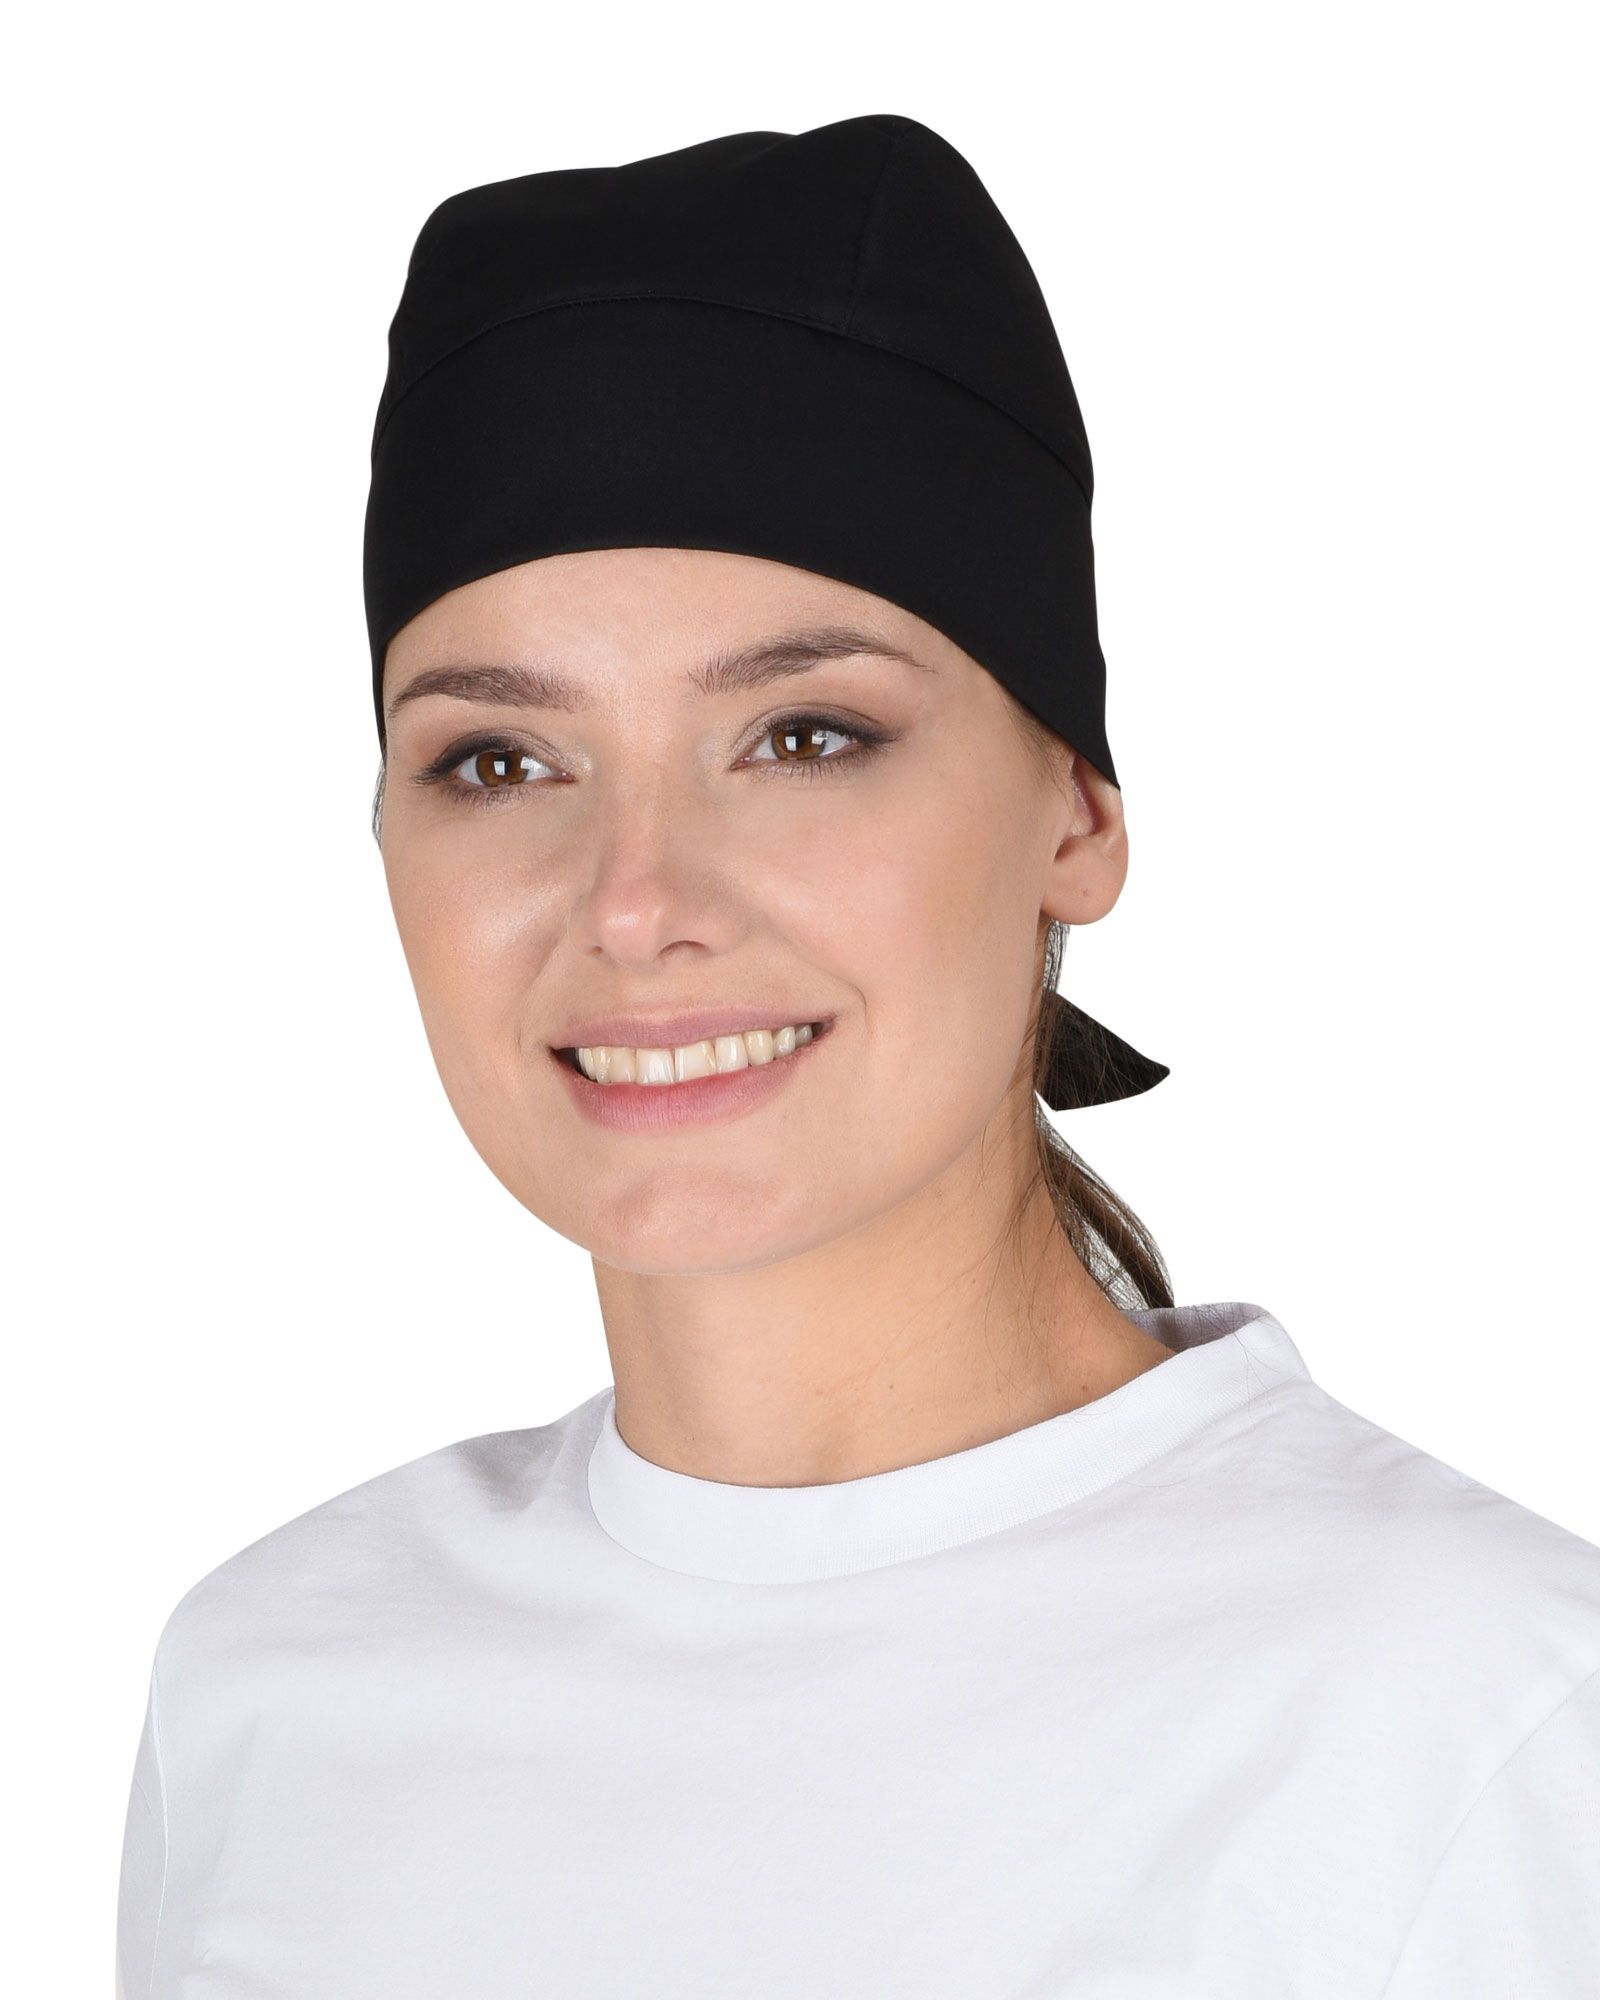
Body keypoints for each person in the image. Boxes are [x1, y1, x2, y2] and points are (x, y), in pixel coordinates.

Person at [115, 113, 1600, 1998]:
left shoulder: (1485, 1726)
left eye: (804, 737)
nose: (635, 901)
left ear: (1076, 812)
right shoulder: (270, 1693)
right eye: (498, 759)